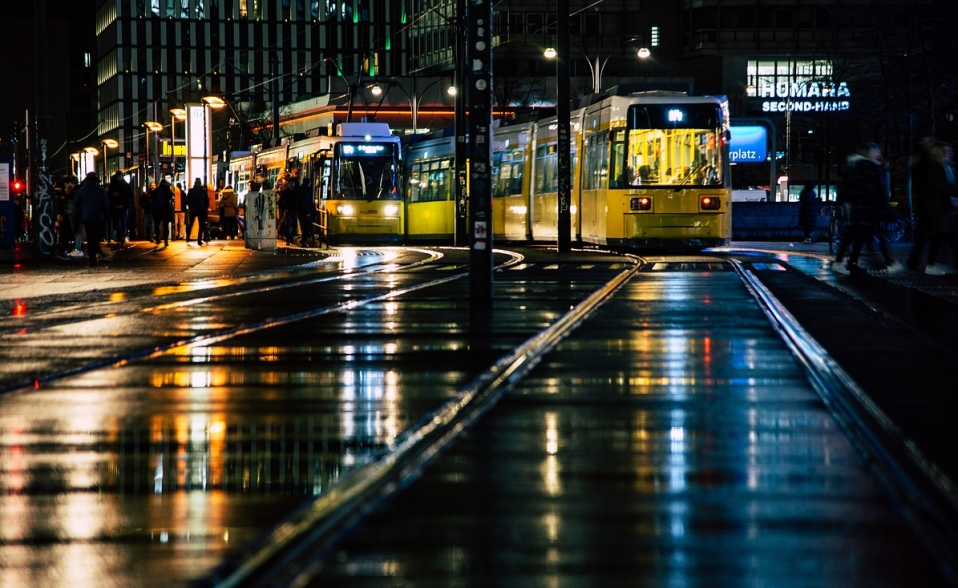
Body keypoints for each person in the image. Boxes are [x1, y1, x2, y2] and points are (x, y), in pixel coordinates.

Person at [831, 142, 904, 275]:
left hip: (857, 208)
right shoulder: (869, 167)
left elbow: (847, 188)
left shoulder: (854, 165)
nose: (879, 154)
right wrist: (884, 208)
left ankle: (845, 262)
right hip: (868, 208)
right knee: (875, 236)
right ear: (869, 152)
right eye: (876, 151)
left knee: (855, 236)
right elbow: (876, 190)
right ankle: (888, 263)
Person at [915, 142, 958, 275]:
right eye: (945, 150)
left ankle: (933, 264)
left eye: (950, 150)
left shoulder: (947, 167)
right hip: (939, 208)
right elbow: (940, 186)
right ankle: (930, 265)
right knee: (939, 236)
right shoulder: (936, 167)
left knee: (947, 236)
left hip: (945, 207)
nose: (949, 153)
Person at [907, 133, 939, 270]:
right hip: (929, 204)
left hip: (924, 203)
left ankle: (915, 261)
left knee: (924, 235)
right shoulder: (927, 159)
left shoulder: (920, 159)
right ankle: (928, 263)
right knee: (935, 234)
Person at [73, 172, 111, 267]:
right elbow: (106, 204)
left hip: (86, 217)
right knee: (96, 237)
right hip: (98, 216)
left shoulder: (82, 190)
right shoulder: (101, 190)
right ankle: (96, 251)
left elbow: (76, 203)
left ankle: (92, 258)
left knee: (90, 237)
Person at [107, 172, 133, 244]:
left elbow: (109, 195)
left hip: (120, 206)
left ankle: (120, 236)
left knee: (120, 222)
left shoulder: (114, 186)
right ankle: (121, 236)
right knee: (121, 222)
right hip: (121, 206)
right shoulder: (125, 185)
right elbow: (131, 195)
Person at [185, 178, 208, 246]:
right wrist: (205, 208)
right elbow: (206, 201)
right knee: (201, 225)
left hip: (194, 210)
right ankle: (199, 239)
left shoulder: (191, 191)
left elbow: (187, 200)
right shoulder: (203, 191)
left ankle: (188, 237)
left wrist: (191, 206)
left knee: (191, 224)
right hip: (201, 210)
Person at [151, 179, 175, 247]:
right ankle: (166, 241)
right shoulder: (167, 190)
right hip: (165, 210)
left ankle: (158, 238)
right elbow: (170, 197)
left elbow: (152, 197)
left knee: (157, 225)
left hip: (157, 210)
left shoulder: (157, 190)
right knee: (165, 226)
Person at [295, 176, 316, 246]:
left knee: (306, 226)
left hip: (304, 212)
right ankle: (303, 240)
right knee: (307, 226)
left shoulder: (303, 190)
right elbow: (305, 202)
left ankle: (304, 240)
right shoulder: (305, 191)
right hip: (306, 212)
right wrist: (307, 212)